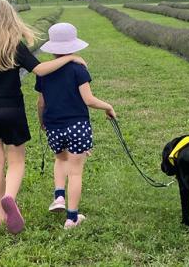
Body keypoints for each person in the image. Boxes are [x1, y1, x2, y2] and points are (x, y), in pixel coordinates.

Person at [0, 0, 87, 234]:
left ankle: (0, 213)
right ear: (10, 19)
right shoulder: (14, 44)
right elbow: (40, 70)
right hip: (12, 109)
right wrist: (69, 57)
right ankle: (9, 197)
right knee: (16, 161)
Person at [36, 22, 116, 229]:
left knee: (60, 159)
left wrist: (42, 121)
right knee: (76, 172)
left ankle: (59, 196)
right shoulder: (78, 69)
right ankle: (72, 218)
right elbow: (88, 99)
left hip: (54, 126)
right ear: (73, 46)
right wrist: (108, 107)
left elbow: (41, 102)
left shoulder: (43, 72)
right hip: (77, 126)